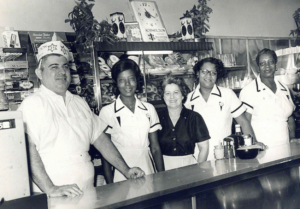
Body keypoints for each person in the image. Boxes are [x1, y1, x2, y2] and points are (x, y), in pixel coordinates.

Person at [18, 41, 144, 197]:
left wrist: (126, 170)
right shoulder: (32, 104)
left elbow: (101, 140)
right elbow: (27, 151)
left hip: (87, 193)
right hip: (53, 198)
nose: (62, 72)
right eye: (54, 67)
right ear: (39, 73)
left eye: (65, 66)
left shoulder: (79, 102)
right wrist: (50, 189)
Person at [99, 58, 164, 183]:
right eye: (122, 80)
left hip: (147, 168)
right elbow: (105, 152)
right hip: (120, 171)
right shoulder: (107, 112)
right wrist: (109, 183)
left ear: (137, 80)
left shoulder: (148, 109)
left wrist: (162, 177)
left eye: (131, 79)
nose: (127, 84)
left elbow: (155, 148)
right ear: (116, 83)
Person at [185, 57, 260, 161]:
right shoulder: (188, 100)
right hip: (197, 158)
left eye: (213, 73)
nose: (209, 76)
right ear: (197, 73)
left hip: (226, 156)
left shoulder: (227, 94)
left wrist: (254, 143)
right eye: (204, 72)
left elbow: (243, 122)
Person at [239, 48, 296, 148]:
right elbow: (244, 122)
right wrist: (254, 143)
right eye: (262, 63)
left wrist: (292, 138)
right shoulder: (249, 90)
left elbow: (289, 117)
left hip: (286, 147)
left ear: (275, 65)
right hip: (263, 148)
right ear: (258, 67)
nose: (267, 66)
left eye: (271, 62)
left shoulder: (284, 88)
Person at [157, 75, 210, 170]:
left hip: (188, 166)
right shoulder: (157, 117)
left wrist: (198, 170)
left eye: (176, 92)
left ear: (182, 95)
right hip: (163, 167)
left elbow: (204, 148)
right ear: (163, 96)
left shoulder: (194, 117)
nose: (172, 97)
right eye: (167, 93)